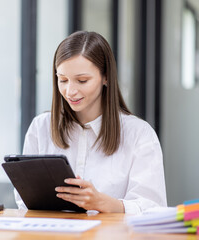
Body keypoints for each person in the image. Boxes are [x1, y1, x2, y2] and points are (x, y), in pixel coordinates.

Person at [15, 31, 167, 214]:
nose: (70, 91)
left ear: (106, 77)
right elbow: (24, 203)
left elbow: (153, 208)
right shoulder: (41, 127)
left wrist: (102, 203)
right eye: (62, 80)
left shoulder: (139, 134)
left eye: (82, 80)